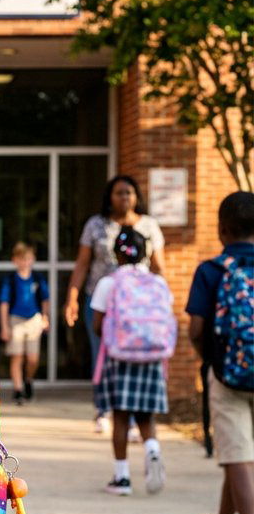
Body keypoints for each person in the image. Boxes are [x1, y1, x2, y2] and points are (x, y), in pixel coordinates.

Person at [186, 191, 254, 514]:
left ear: (222, 229)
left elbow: (196, 328)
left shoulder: (213, 269)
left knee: (238, 459)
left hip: (228, 375)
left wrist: (208, 357)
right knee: (240, 456)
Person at [65, 174, 166, 433]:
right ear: (110, 196)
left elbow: (158, 267)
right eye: (119, 192)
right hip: (101, 300)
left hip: (137, 305)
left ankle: (132, 415)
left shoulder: (149, 226)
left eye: (129, 192)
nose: (124, 197)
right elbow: (82, 264)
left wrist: (160, 301)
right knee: (102, 352)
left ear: (136, 197)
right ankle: (103, 409)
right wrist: (72, 298)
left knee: (132, 355)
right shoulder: (96, 225)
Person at [90, 227, 173, 496]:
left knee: (121, 417)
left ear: (117, 253)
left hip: (120, 356)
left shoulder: (109, 283)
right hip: (152, 356)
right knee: (146, 415)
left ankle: (122, 478)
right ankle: (153, 450)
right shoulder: (159, 283)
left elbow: (98, 325)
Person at [0, 241, 50, 404]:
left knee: (33, 358)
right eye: (21, 259)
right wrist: (4, 326)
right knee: (17, 357)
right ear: (15, 260)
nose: (25, 262)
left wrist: (45, 317)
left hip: (34, 319)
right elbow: (4, 303)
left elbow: (45, 299)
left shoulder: (37, 278)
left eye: (28, 258)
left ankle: (28, 379)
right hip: (15, 319)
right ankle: (18, 389)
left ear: (33, 259)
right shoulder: (11, 280)